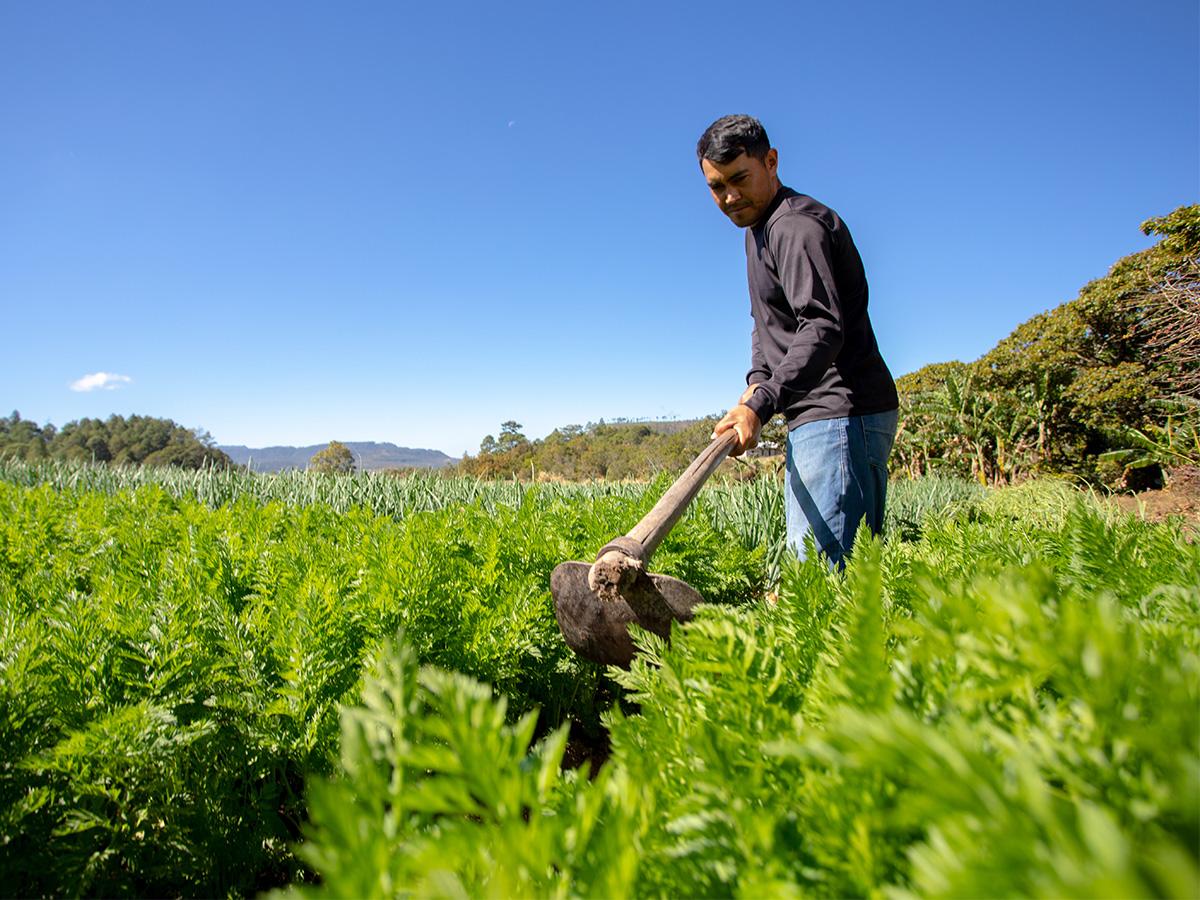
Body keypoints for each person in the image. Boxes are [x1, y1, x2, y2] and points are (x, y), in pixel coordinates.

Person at [701, 114, 899, 568]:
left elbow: (821, 327)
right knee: (813, 569)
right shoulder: (759, 229)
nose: (729, 197)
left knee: (825, 578)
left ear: (770, 161)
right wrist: (756, 382)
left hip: (840, 412)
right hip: (816, 413)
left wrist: (763, 402)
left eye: (739, 179)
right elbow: (766, 321)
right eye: (716, 187)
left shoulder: (793, 227)